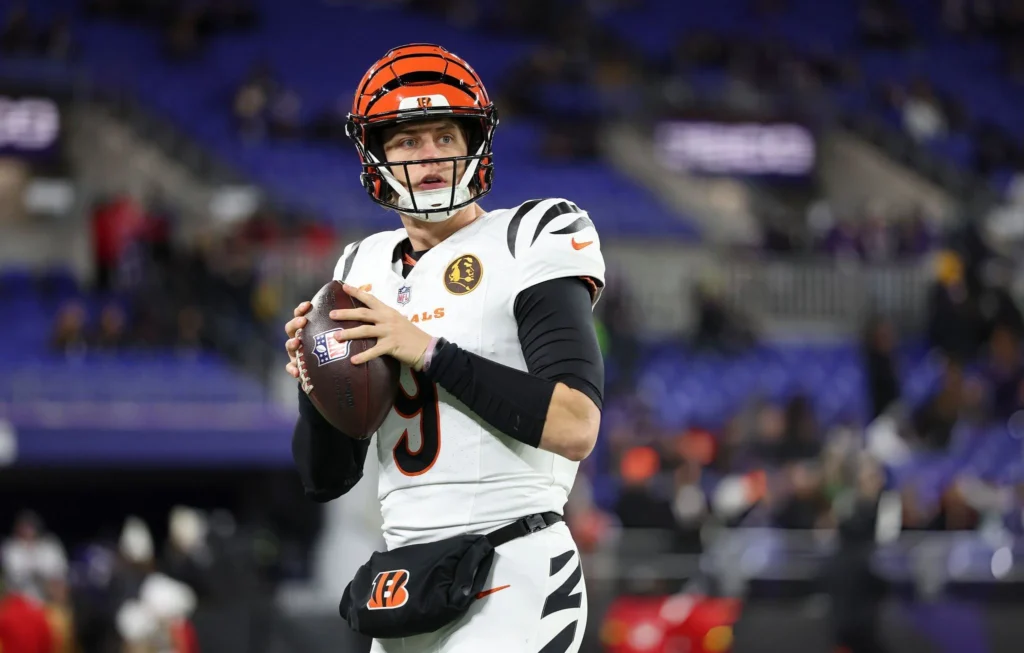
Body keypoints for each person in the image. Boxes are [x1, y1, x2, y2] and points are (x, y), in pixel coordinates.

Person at [284, 44, 604, 652]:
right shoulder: (360, 266)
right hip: (406, 578)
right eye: (406, 141)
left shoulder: (528, 236)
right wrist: (315, 388)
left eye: (442, 136)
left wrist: (427, 350)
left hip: (513, 566)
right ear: (375, 156)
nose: (428, 156)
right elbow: (325, 478)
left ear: (471, 145)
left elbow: (576, 424)